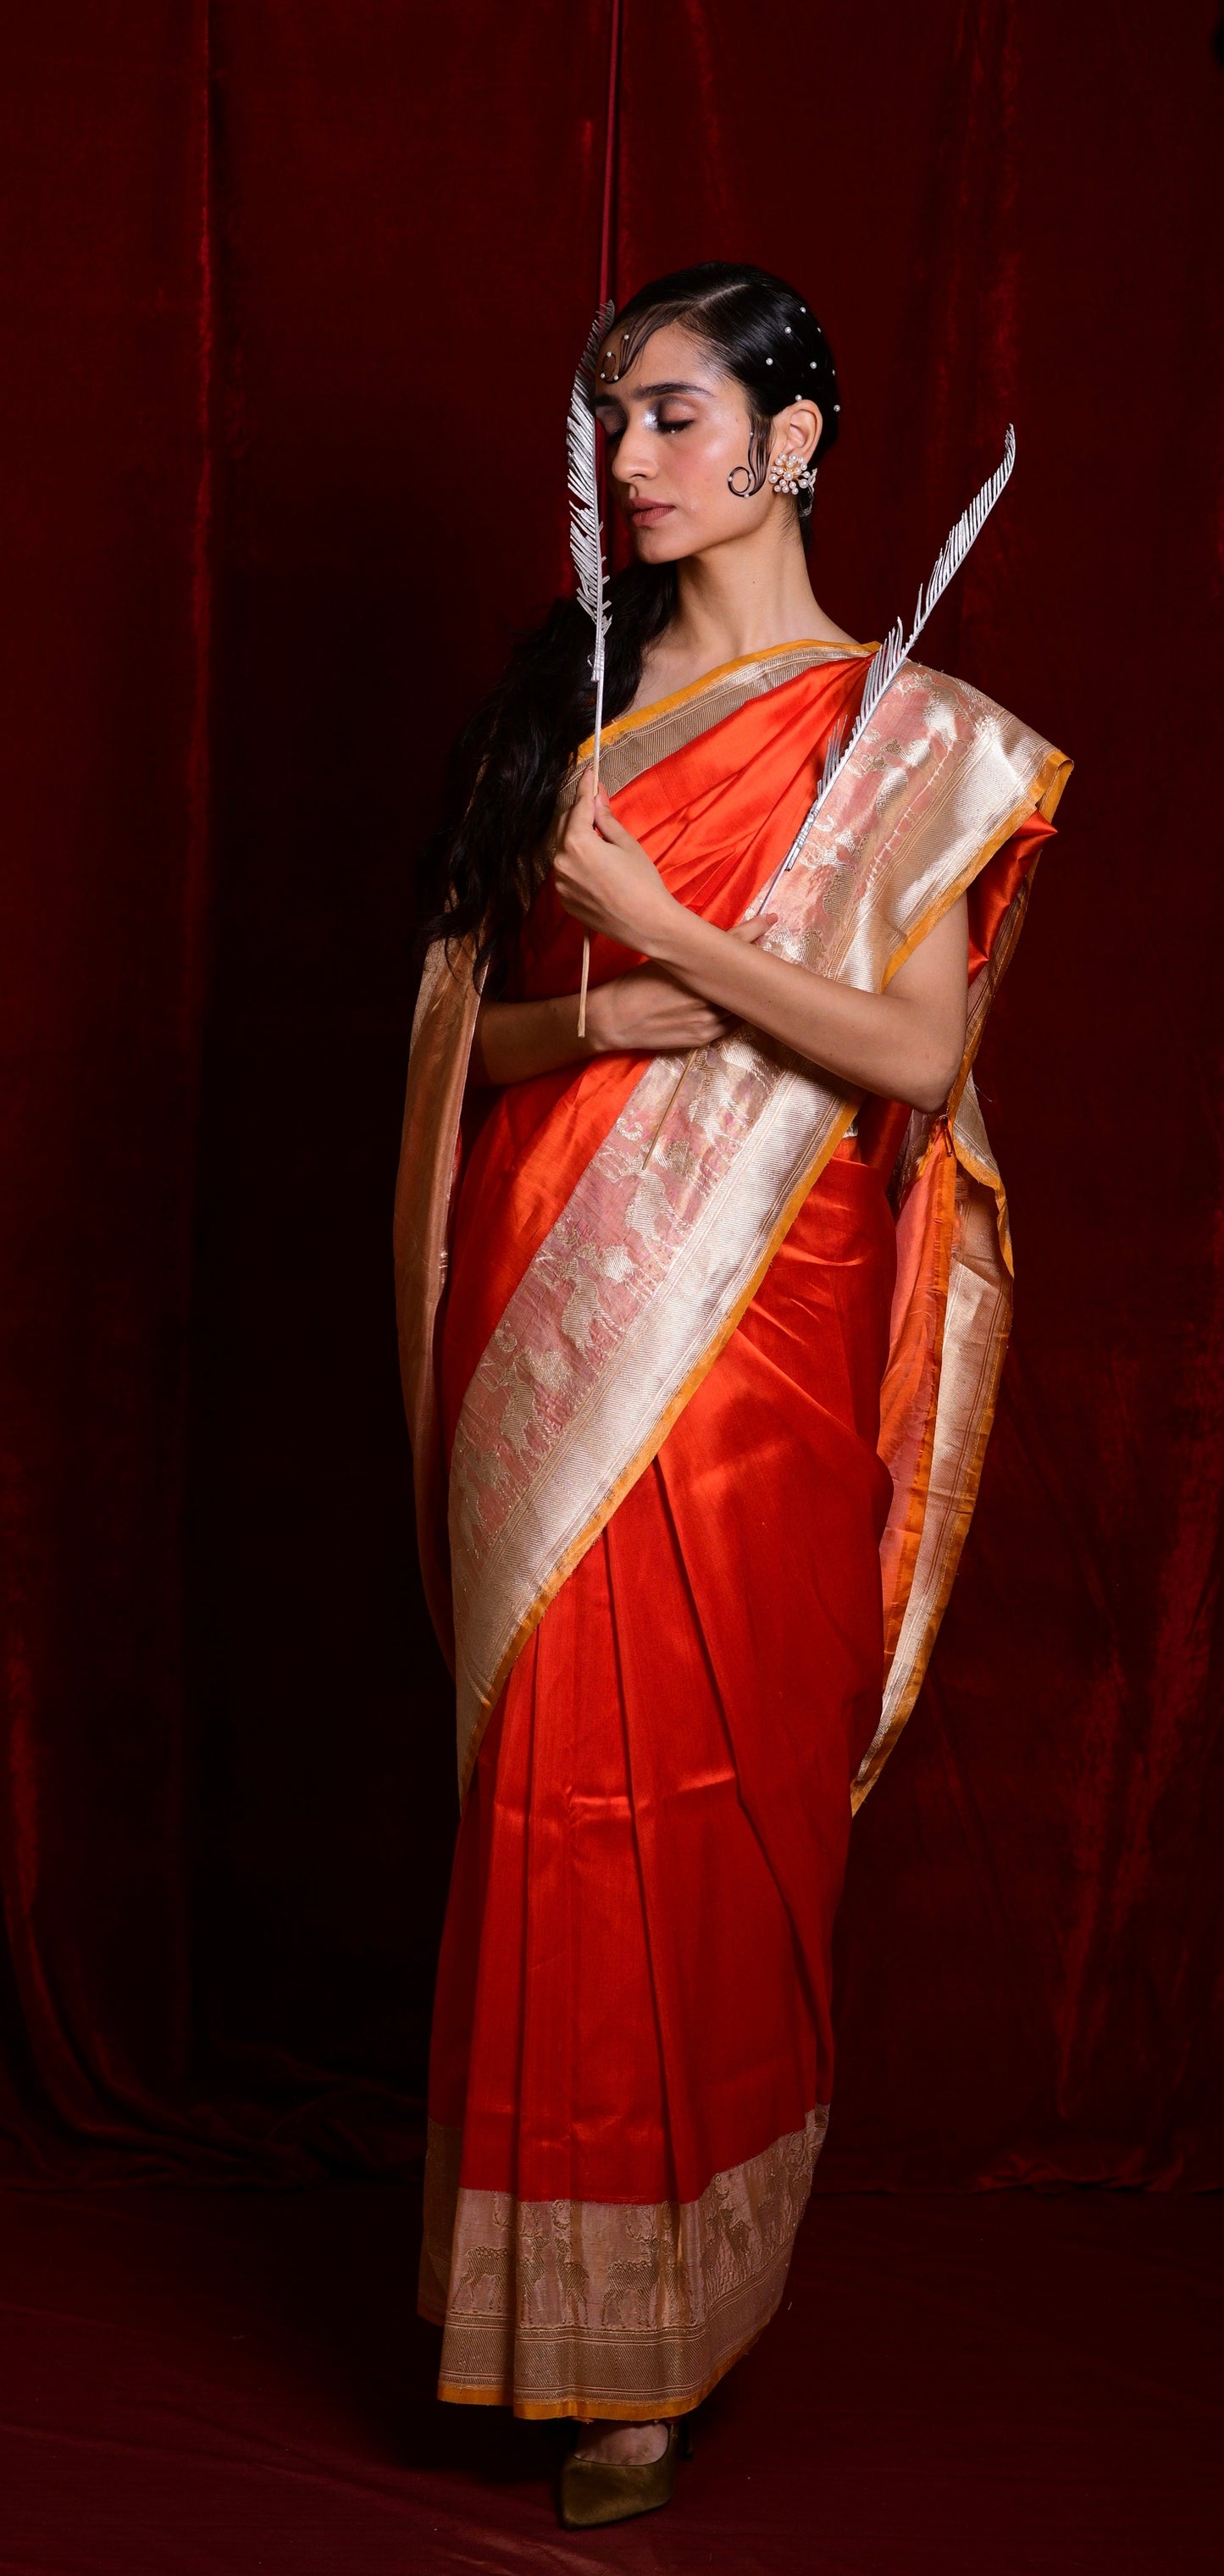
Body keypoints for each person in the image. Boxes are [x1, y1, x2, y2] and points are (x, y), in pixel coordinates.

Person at [394, 262, 1070, 2529]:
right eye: (610, 424)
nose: (632, 461)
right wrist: (580, 1017)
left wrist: (669, 938)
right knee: (551, 1801)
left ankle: (668, 2343)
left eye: (676, 414)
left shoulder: (908, 740)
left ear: (798, 439)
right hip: (552, 1327)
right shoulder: (564, 728)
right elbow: (448, 1055)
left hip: (767, 1342)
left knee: (708, 1796)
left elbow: (917, 1055)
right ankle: (545, 2328)